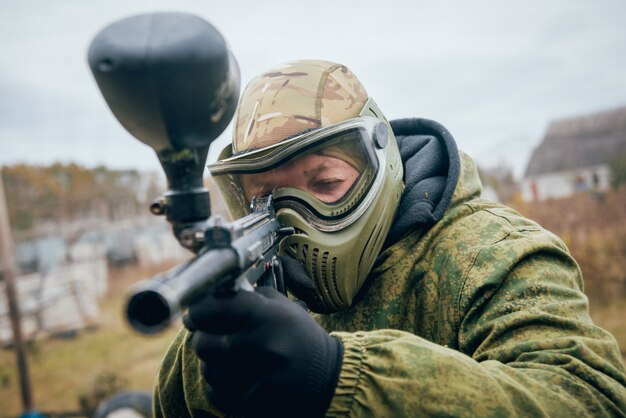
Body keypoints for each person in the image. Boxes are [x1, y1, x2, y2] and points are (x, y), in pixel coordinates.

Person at [153, 60, 626, 417]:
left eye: (325, 184)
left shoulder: (494, 255)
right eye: (267, 199)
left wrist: (337, 375)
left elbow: (588, 397)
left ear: (381, 162)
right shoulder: (241, 303)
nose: (296, 217)